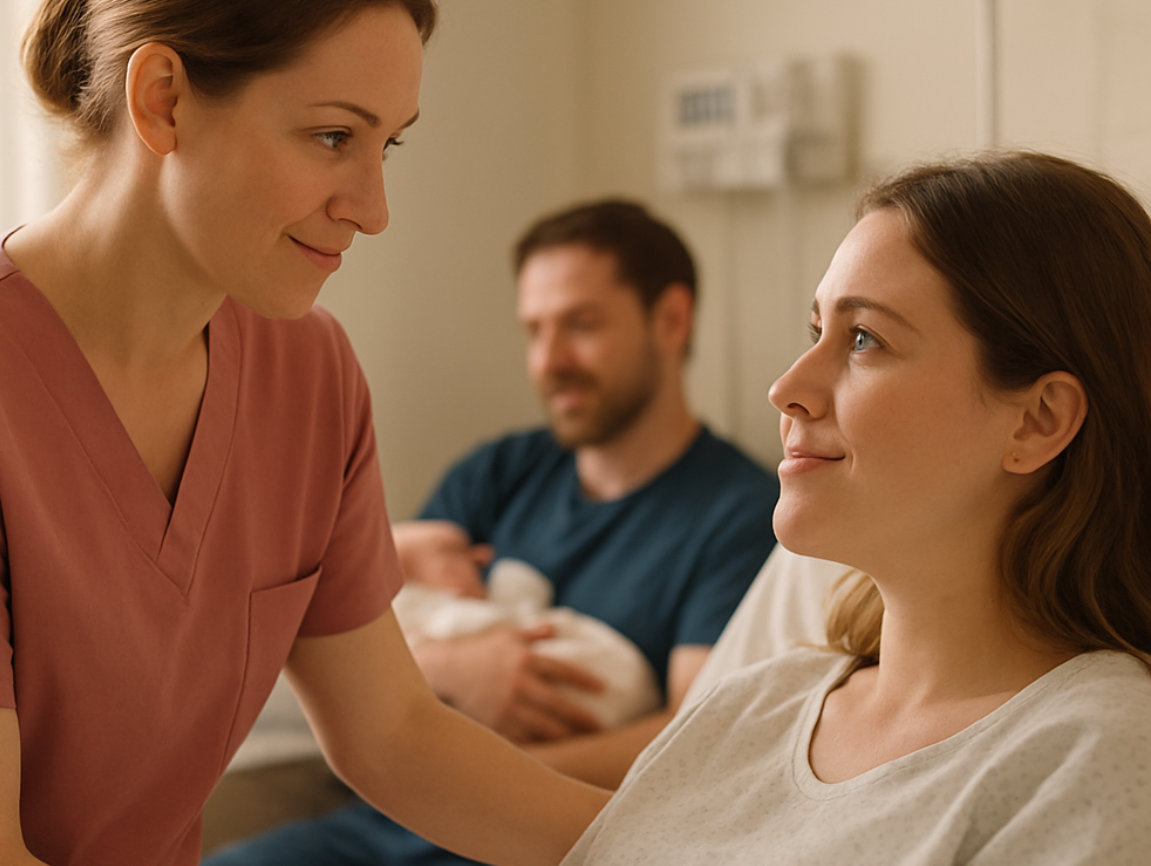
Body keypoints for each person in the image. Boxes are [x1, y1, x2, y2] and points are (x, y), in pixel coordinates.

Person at [0, 0, 611, 865]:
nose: (373, 210)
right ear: (163, 101)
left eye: (388, 147)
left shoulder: (309, 376)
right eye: (332, 135)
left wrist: (681, 848)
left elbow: (396, 737)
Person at [561, 151, 1151, 865]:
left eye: (865, 339)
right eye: (818, 333)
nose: (786, 388)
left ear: (1036, 421)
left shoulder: (1098, 754)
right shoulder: (757, 704)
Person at [203, 200, 779, 863]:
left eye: (581, 326)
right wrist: (454, 669)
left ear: (671, 320)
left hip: (541, 838)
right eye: (534, 331)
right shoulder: (499, 472)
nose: (550, 359)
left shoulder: (739, 517)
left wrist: (479, 769)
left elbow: (694, 739)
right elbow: (365, 624)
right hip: (383, 824)